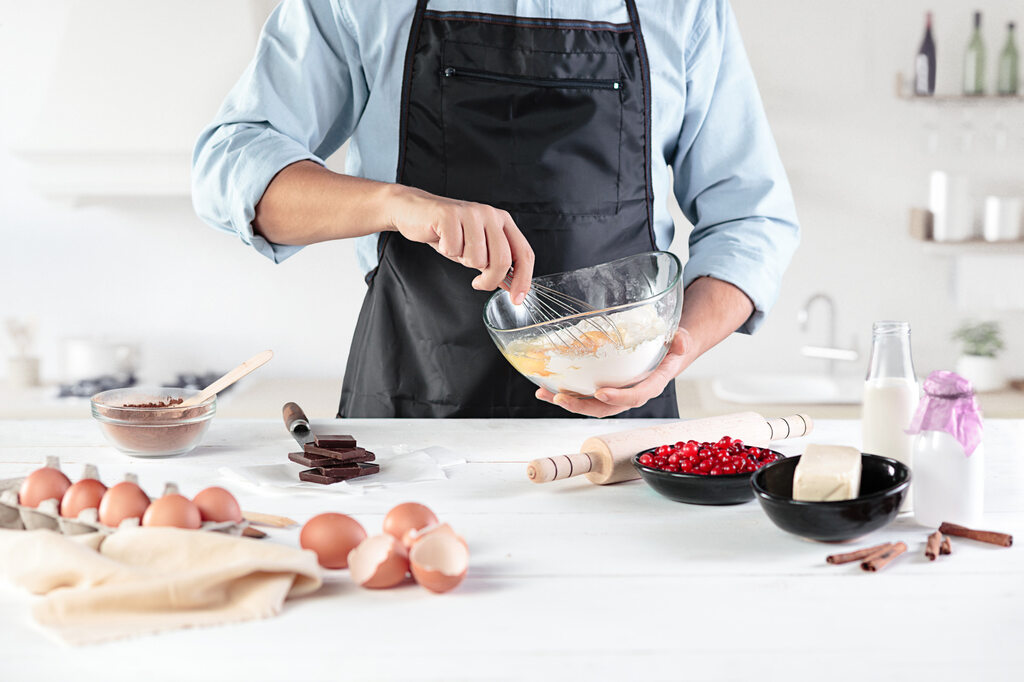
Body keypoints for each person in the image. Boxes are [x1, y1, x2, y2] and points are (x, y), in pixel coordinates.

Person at [192, 0, 799, 419]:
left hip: (616, 432)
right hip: (412, 412)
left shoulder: (684, 9)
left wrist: (675, 352)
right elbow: (228, 167)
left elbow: (752, 220)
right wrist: (397, 204)